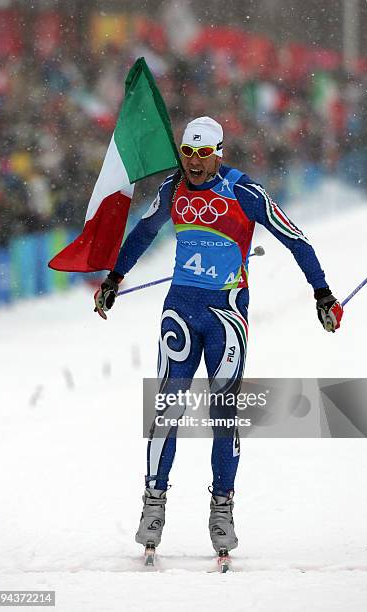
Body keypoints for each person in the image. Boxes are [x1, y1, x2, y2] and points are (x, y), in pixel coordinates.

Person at [94, 116, 343, 555]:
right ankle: (154, 505)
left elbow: (296, 239)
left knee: (223, 417)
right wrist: (114, 279)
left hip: (227, 317)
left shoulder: (243, 191)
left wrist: (322, 293)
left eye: (202, 154)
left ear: (217, 154)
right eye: (187, 153)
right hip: (181, 313)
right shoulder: (173, 189)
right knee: (166, 410)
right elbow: (143, 233)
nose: (193, 162)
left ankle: (222, 509)